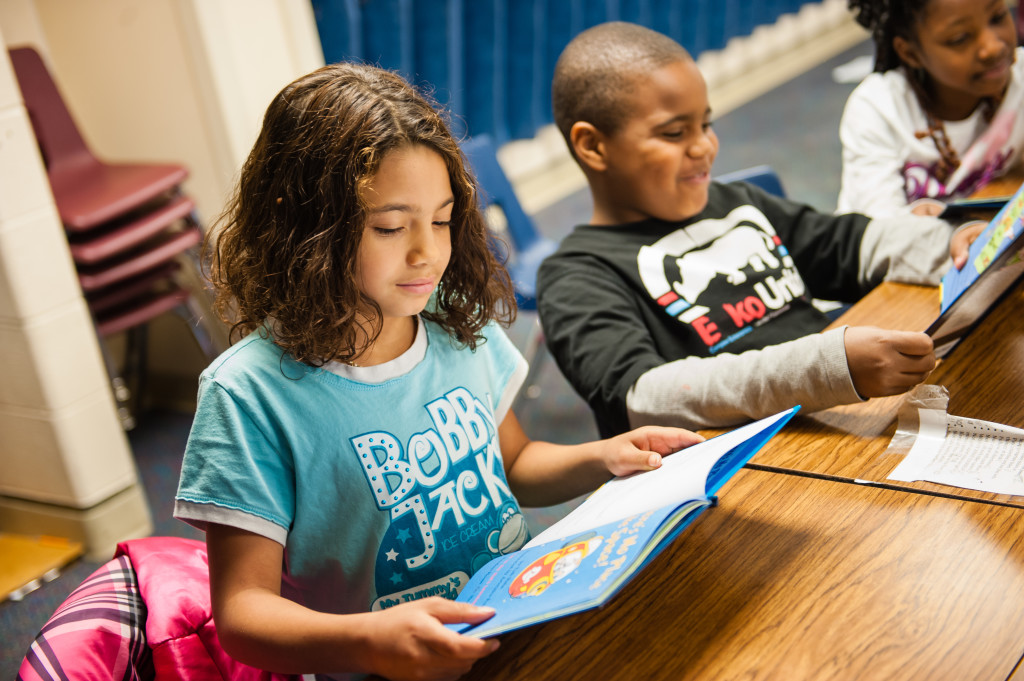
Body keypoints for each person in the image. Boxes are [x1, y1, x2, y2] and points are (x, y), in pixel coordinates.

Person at [173, 62, 702, 681]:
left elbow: (514, 466)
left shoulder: (452, 323)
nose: (428, 252)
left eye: (443, 219)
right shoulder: (247, 395)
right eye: (391, 227)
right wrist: (369, 639)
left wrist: (605, 456)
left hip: (512, 629)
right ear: (306, 229)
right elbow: (243, 614)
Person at [538, 21, 981, 438]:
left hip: (834, 422)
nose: (704, 146)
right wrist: (825, 368)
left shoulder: (736, 202)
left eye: (706, 124)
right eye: (674, 133)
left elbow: (847, 244)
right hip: (736, 471)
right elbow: (643, 396)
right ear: (593, 146)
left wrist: (949, 246)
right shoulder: (576, 276)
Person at [838, 0, 1024, 216]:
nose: (993, 47)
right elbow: (885, 235)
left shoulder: (1019, 77)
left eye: (997, 17)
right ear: (911, 54)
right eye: (960, 38)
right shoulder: (878, 111)